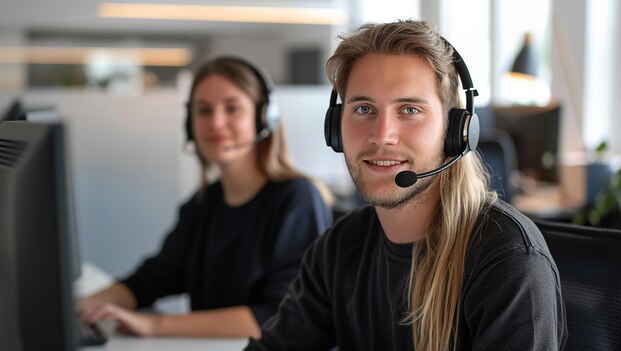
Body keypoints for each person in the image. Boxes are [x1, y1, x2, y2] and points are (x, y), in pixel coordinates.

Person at [246, 20, 567, 350]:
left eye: (409, 109)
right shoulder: (341, 247)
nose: (382, 134)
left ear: (456, 131)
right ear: (336, 129)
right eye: (364, 108)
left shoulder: (506, 261)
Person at [78, 56, 333, 339]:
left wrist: (153, 326)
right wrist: (78, 307)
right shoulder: (203, 205)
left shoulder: (296, 198)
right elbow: (152, 279)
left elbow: (281, 313)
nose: (216, 122)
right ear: (190, 124)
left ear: (264, 117)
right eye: (203, 110)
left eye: (232, 109)